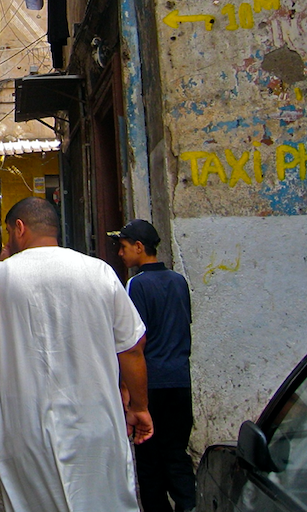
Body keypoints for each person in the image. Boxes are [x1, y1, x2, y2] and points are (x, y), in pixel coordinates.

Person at [0, 197, 153, 512]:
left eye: (9, 231)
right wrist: (140, 406)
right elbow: (132, 346)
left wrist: (4, 262)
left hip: (24, 429)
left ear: (19, 229)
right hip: (96, 423)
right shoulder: (100, 272)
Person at [111, 219, 195, 512]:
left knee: (148, 458)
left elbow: (136, 340)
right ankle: (188, 503)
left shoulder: (137, 284)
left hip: (152, 382)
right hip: (180, 380)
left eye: (123, 247)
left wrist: (126, 385)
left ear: (139, 247)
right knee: (176, 452)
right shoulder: (178, 281)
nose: (121, 254)